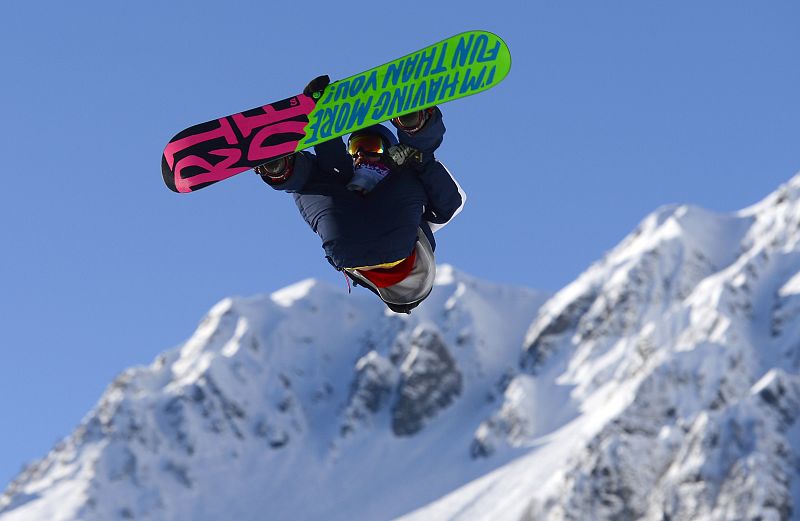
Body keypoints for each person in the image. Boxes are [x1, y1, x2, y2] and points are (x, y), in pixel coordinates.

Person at [255, 76, 465, 313]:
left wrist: (420, 162)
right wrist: (422, 161)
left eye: (372, 145)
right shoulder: (345, 176)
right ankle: (280, 166)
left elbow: (451, 204)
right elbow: (449, 202)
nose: (361, 154)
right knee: (332, 176)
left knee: (322, 181)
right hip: (350, 250)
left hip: (373, 248)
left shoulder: (399, 174)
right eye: (355, 148)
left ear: (388, 148)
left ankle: (283, 166)